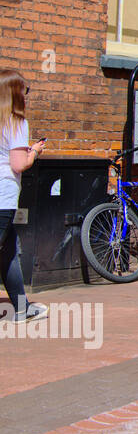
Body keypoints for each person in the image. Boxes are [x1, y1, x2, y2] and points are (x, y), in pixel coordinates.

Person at [0, 69, 47, 323]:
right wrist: (34, 152)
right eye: (25, 91)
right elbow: (18, 164)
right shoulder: (16, 122)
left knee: (8, 251)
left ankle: (21, 308)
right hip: (2, 197)